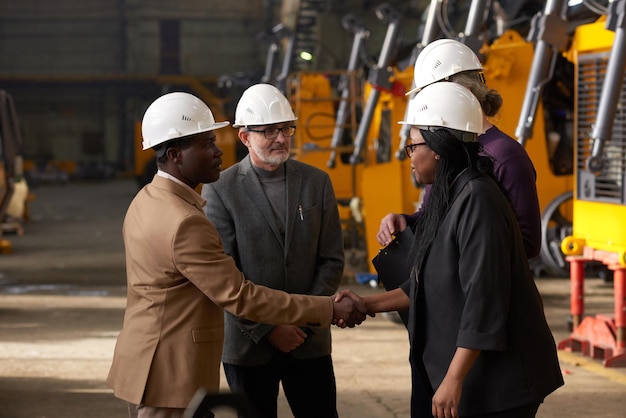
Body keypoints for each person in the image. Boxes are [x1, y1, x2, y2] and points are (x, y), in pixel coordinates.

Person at [106, 91, 365, 418]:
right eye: (207, 144)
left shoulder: (147, 199)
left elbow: (330, 258)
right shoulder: (184, 220)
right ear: (176, 154)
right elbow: (238, 295)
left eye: (285, 129)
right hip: (171, 374)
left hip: (149, 365)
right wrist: (328, 308)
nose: (218, 152)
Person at [339, 82, 564, 418]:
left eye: (413, 147)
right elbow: (429, 284)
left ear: (439, 149)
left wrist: (453, 378)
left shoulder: (477, 199)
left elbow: (484, 299)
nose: (410, 158)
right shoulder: (449, 194)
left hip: (500, 382)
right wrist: (364, 304)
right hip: (471, 372)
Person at [201, 83, 345, 418]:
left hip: (309, 342)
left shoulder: (316, 182)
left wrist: (303, 322)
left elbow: (332, 259)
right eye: (268, 131)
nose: (280, 138)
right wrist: (268, 329)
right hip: (248, 345)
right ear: (245, 137)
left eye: (285, 129)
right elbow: (225, 274)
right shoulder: (220, 191)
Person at [377, 39, 541, 260]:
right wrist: (408, 221)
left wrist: (464, 251)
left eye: (431, 92)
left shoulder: (506, 156)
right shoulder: (445, 149)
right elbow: (435, 215)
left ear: (463, 91)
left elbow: (528, 244)